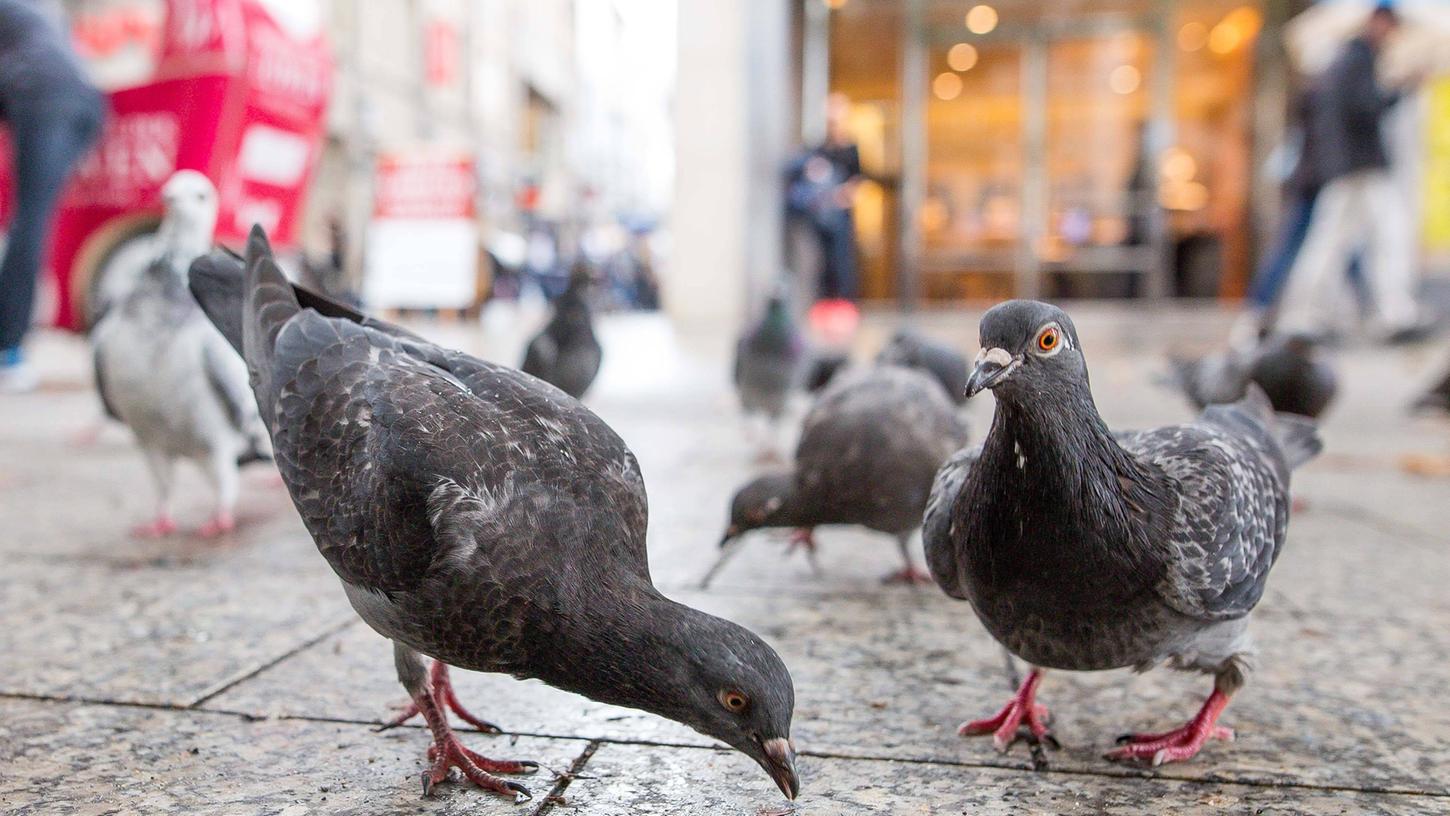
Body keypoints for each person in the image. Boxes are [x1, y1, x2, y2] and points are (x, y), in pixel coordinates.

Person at [1275, 4, 1428, 344]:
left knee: (1334, 241)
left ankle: (1308, 317)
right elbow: (1364, 110)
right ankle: (1391, 314)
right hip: (1361, 167)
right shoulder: (1356, 59)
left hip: (1348, 168)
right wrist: (1399, 89)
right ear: (1378, 22)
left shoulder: (1347, 59)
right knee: (1384, 237)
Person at [0, 0, 104, 392]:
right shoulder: (38, 11)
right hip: (85, 99)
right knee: (34, 217)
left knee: (28, 220)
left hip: (44, 97)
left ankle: (6, 349)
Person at [787, 92, 862, 304]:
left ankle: (843, 306)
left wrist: (843, 195)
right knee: (823, 263)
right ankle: (825, 306)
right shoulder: (817, 148)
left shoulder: (850, 148)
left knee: (842, 262)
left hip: (840, 214)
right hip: (821, 213)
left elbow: (857, 179)